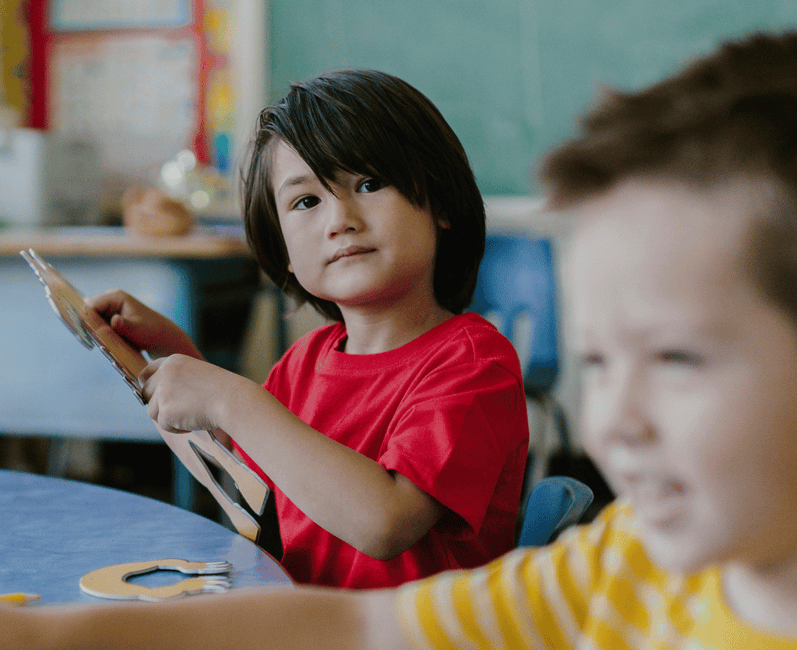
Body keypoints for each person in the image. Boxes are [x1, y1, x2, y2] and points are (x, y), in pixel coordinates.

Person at [0, 30, 797, 650]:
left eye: (677, 358)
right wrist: (26, 631)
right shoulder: (633, 564)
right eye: (600, 359)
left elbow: (376, 538)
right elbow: (356, 623)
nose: (611, 420)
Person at [92, 68, 530, 590]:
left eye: (369, 184)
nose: (340, 219)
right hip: (307, 616)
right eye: (306, 201)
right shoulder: (308, 358)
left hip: (404, 627)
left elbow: (384, 521)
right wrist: (170, 354)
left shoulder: (474, 363)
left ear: (441, 203)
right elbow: (246, 460)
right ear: (283, 248)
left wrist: (232, 398)